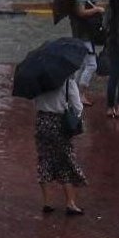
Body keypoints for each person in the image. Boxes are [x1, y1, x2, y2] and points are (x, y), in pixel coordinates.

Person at [33, 76, 87, 215]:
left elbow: (35, 101)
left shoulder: (38, 79)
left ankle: (47, 202)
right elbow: (78, 107)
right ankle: (70, 203)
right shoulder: (68, 82)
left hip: (41, 122)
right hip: (59, 124)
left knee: (44, 159)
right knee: (66, 161)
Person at [68, 0, 106, 106]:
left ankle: (74, 92)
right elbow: (81, 13)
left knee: (82, 65)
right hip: (83, 37)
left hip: (84, 35)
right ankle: (80, 93)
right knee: (91, 65)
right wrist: (96, 9)